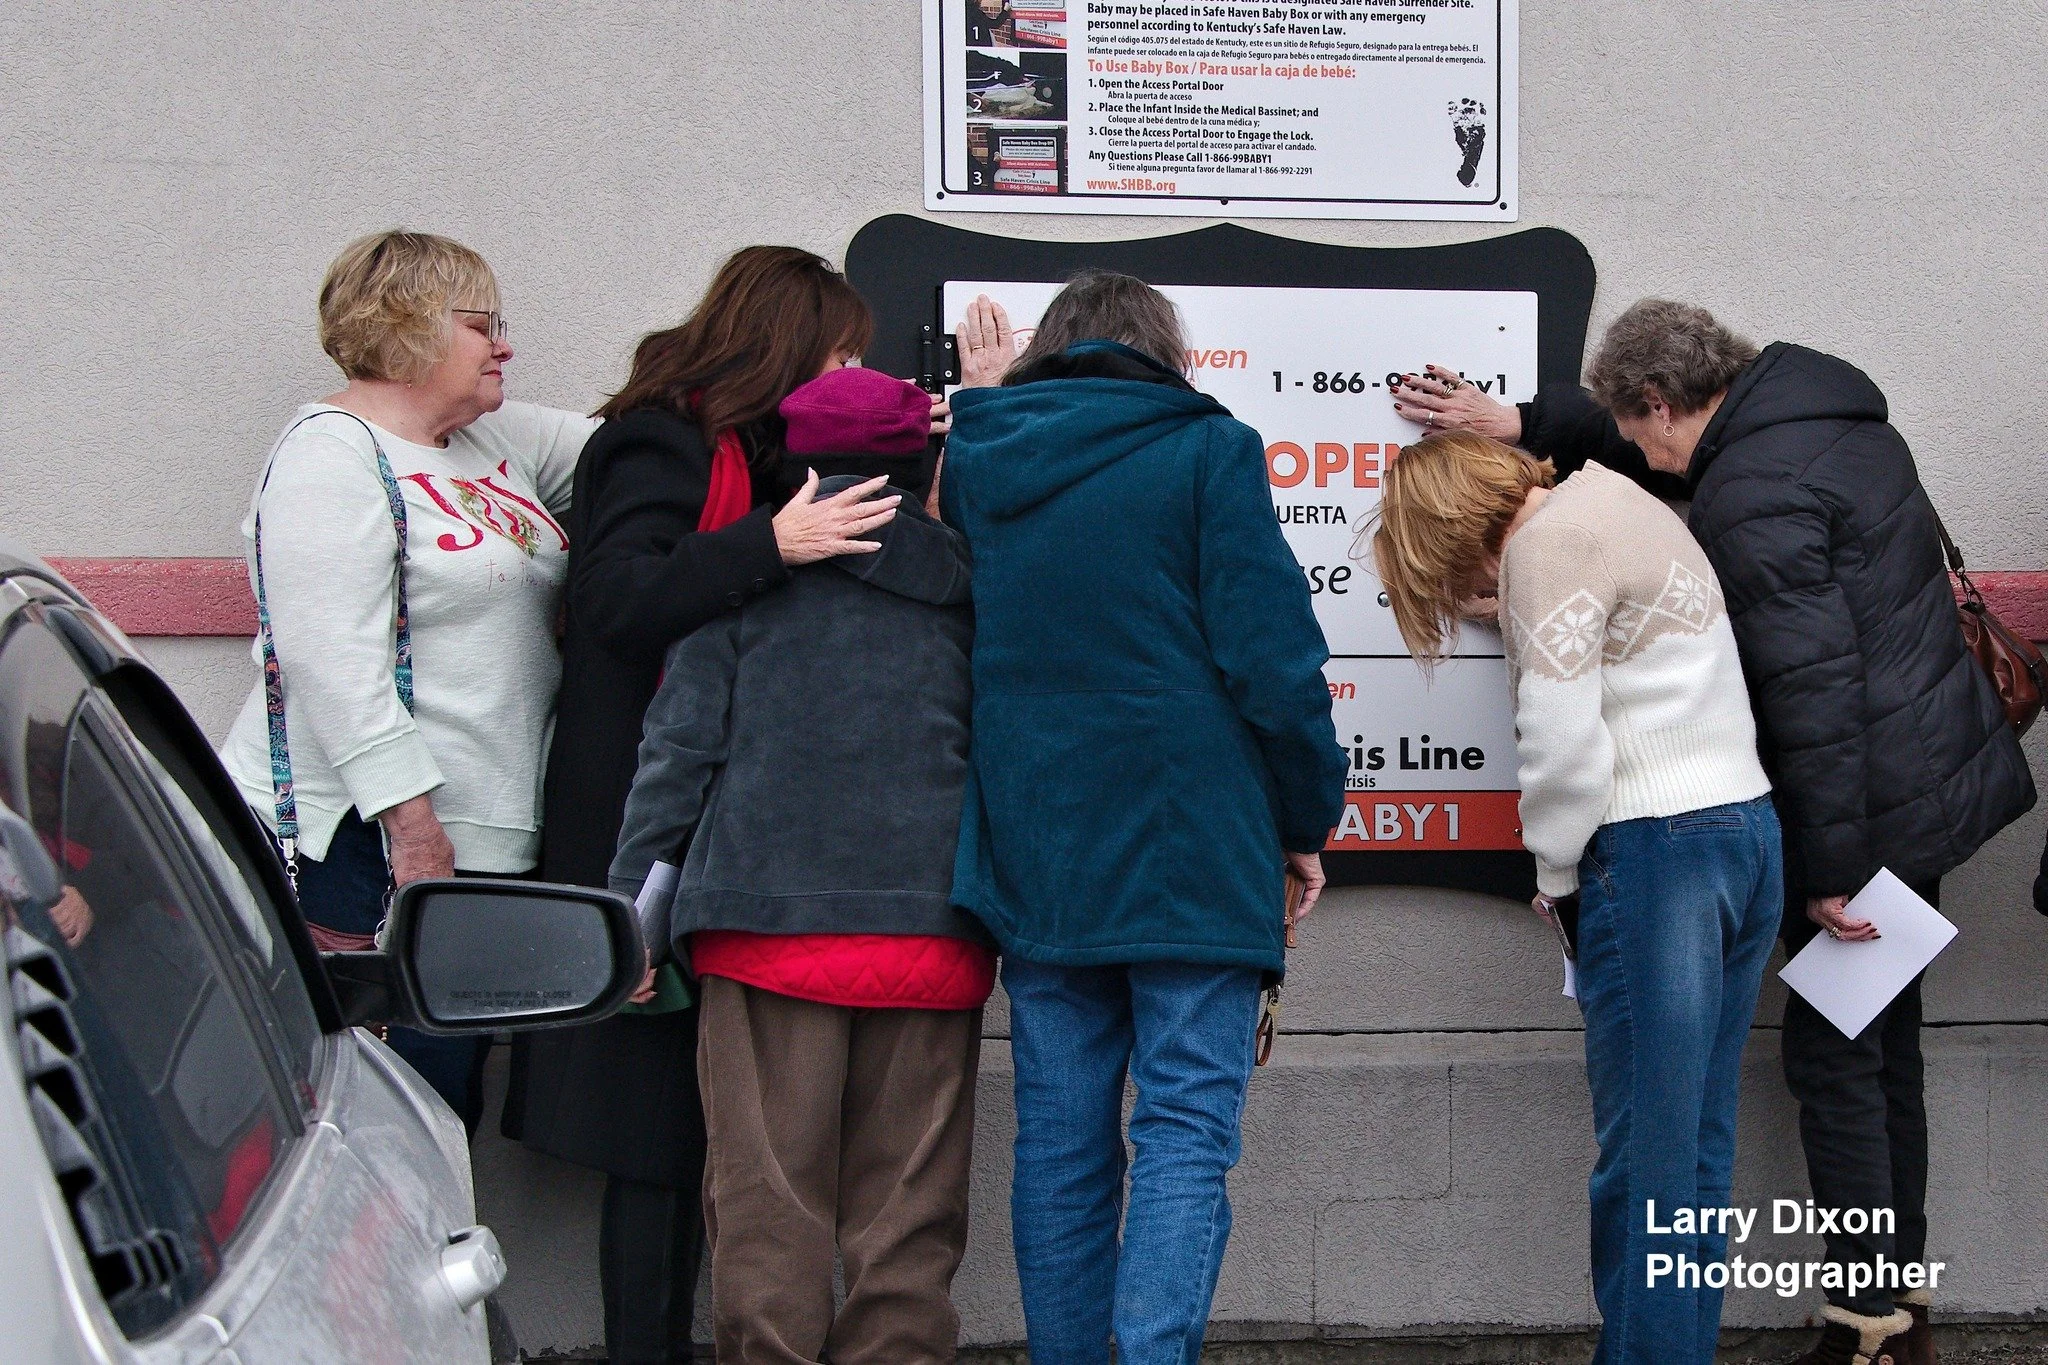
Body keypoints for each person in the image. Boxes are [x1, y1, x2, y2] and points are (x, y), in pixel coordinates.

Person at [1397, 301, 2036, 1365]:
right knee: (1878, 1056)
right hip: (1928, 784)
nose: (1642, 458)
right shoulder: (1828, 418)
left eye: (1638, 430)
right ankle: (1893, 1310)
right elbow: (1620, 463)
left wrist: (1828, 868)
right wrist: (1518, 419)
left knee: (1829, 1066)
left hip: (1846, 812)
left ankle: (1866, 1328)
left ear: (1662, 402)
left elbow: (1812, 687)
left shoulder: (1747, 495)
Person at [502, 246, 934, 1365]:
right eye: (835, 348)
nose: (843, 370)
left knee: (742, 1145)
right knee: (654, 1136)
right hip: (648, 820)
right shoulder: (657, 439)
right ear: (780, 342)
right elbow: (615, 599)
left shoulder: (774, 453)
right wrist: (766, 545)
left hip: (745, 844)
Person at [944, 276, 1347, 1363]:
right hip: (1192, 844)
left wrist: (982, 396)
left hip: (1040, 848)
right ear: (1166, 352)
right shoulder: (1206, 450)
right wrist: (1304, 818)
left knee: (1060, 1143)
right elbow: (1273, 661)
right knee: (1181, 1134)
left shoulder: (980, 457)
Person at [1371, 431, 1780, 1365]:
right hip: (1743, 834)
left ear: (1450, 530)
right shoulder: (1613, 502)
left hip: (1655, 848)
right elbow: (1623, 654)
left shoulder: (1549, 551)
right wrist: (1512, 605)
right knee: (1694, 1156)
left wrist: (1554, 875)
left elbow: (1563, 745)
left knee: (1642, 1164)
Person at [610, 364, 991, 1364]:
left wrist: (627, 916)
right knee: (906, 1221)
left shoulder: (743, 578)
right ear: (917, 460)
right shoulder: (970, 583)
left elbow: (676, 759)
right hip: (930, 935)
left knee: (768, 1211)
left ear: (798, 457)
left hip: (763, 933)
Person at [219, 229, 598, 1132]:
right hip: (363, 845)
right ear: (411, 326)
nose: (503, 344)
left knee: (440, 1098)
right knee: (380, 1109)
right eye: (482, 324)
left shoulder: (490, 439)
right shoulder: (332, 452)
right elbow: (331, 662)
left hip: (471, 840)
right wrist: (412, 828)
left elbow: (640, 444)